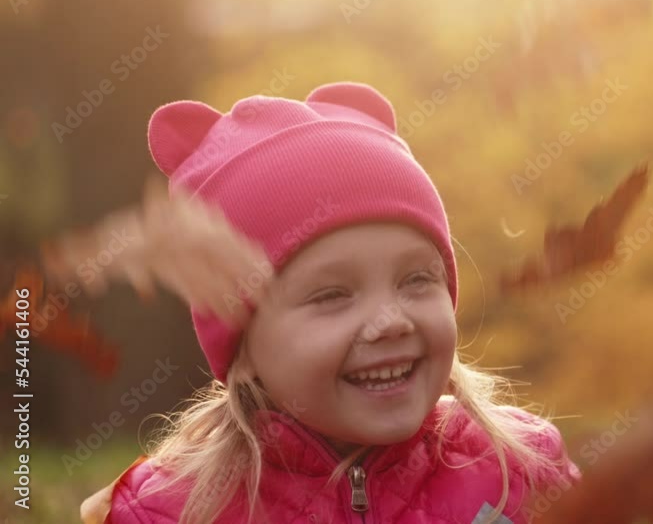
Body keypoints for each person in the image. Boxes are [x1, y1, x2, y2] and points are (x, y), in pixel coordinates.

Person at [58, 82, 580, 523]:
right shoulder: (170, 512)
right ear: (243, 348)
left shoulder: (520, 472)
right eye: (332, 295)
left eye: (417, 279)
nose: (390, 321)